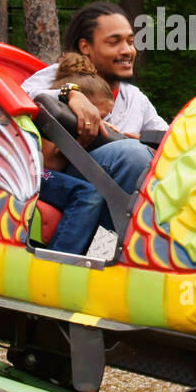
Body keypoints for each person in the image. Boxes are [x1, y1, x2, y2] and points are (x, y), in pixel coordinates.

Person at [22, 1, 167, 219]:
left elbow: (167, 137)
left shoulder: (136, 98)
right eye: (114, 42)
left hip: (122, 187)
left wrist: (149, 143)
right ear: (85, 47)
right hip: (63, 179)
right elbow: (19, 96)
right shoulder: (60, 74)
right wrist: (70, 93)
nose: (127, 50)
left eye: (130, 42)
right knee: (132, 155)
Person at [35, 54, 119, 256]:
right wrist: (80, 144)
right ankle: (58, 261)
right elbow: (50, 164)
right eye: (97, 117)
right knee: (88, 194)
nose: (100, 123)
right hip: (34, 173)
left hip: (51, 175)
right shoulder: (53, 120)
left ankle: (102, 255)